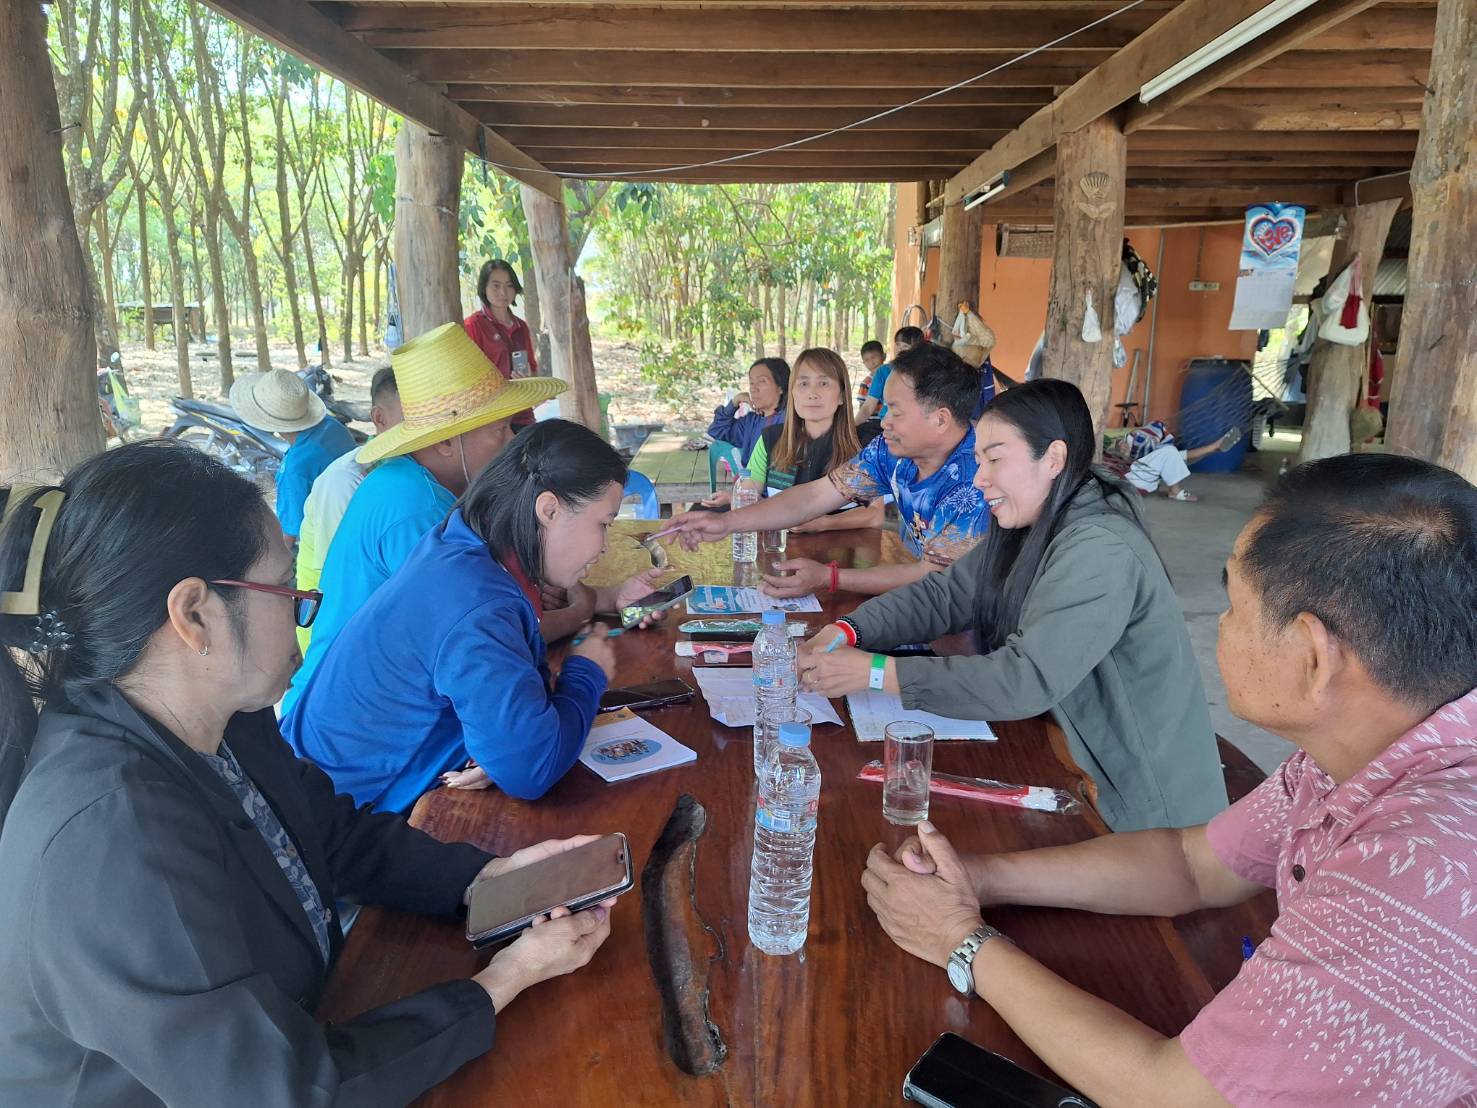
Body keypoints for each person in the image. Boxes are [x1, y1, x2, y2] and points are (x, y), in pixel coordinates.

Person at [0, 442, 615, 1105]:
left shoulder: (224, 719)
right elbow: (275, 1092)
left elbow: (331, 833)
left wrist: (487, 880)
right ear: (194, 615)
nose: (306, 608)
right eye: (286, 587)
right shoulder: (112, 834)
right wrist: (504, 980)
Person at [860, 452, 1477, 1106]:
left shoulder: (1419, 871)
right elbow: (1193, 865)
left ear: (1312, 656)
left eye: (1234, 605)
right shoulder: (1355, 755)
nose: (1220, 626)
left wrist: (961, 942)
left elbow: (1175, 1095)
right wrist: (981, 879)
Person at [799, 378, 1225, 831]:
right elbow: (945, 594)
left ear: (1054, 459)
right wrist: (848, 630)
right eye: (979, 459)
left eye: (996, 458)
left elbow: (1024, 680)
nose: (979, 477)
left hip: (1143, 807)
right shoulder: (1034, 521)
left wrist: (875, 673)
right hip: (1072, 757)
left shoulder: (1100, 547)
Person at [282, 421, 663, 814]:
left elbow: (511, 722)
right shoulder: (478, 603)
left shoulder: (462, 542)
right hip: (340, 815)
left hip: (324, 779)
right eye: (603, 524)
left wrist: (498, 744)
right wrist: (585, 673)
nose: (604, 547)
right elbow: (531, 770)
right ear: (549, 509)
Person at [280, 322, 565, 717]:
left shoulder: (413, 483)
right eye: (500, 430)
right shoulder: (419, 509)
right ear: (446, 441)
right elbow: (479, 640)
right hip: (353, 724)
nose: (511, 442)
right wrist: (582, 613)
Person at [673, 342, 990, 599]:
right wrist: (727, 522)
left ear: (940, 419)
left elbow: (933, 579)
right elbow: (814, 496)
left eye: (895, 411)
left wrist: (830, 577)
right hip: (936, 604)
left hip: (982, 624)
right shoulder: (890, 453)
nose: (884, 422)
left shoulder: (977, 480)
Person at [698, 347, 885, 533]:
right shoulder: (771, 439)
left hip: (845, 548)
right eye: (803, 384)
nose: (812, 393)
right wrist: (738, 501)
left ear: (842, 396)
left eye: (823, 383)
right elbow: (748, 495)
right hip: (781, 547)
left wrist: (823, 523)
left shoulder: (862, 445)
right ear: (793, 393)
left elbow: (874, 514)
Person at [293, 365, 403, 651]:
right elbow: (341, 580)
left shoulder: (403, 470)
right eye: (410, 418)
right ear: (379, 418)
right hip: (331, 634)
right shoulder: (345, 481)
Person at [229, 368, 357, 543]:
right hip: (352, 514)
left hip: (331, 537)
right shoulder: (332, 425)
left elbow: (289, 535)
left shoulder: (295, 469)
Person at [464, 259, 540, 432]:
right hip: (491, 417)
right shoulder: (473, 325)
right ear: (484, 288)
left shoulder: (521, 326)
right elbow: (468, 377)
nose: (503, 292)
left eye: (509, 285)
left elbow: (533, 370)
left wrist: (528, 377)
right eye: (496, 286)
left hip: (523, 414)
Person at [1108, 421, 1243, 502]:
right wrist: (1122, 446)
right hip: (1129, 482)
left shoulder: (1154, 454)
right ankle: (1174, 491)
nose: (1124, 445)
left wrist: (1213, 448)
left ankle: (1214, 447)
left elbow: (1185, 456)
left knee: (1171, 453)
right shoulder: (1117, 446)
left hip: (1138, 480)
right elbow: (1118, 453)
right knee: (1170, 452)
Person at [707, 356, 789, 466]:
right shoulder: (751, 422)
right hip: (749, 476)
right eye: (751, 383)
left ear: (781, 387)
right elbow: (717, 431)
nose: (754, 388)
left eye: (762, 381)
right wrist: (734, 402)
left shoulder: (790, 421)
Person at [854, 325, 925, 429]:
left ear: (917, 349)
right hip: (886, 425)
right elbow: (868, 407)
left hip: (914, 426)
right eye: (898, 345)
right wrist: (852, 427)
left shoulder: (925, 372)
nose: (900, 350)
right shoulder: (883, 372)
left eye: (905, 346)